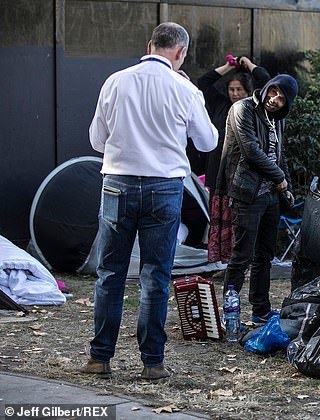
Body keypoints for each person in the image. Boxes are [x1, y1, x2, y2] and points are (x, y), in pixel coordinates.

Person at [81, 22, 218, 380]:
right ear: (181, 53)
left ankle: (99, 358)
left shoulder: (116, 81)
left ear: (150, 45)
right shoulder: (184, 89)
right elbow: (206, 142)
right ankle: (152, 363)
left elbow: (98, 140)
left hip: (118, 184)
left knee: (109, 274)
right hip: (164, 187)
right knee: (155, 277)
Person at [216, 73, 298, 325]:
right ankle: (230, 315)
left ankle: (260, 311)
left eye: (282, 98)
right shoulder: (243, 109)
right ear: (267, 88)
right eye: (273, 92)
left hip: (270, 196)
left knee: (265, 256)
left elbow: (278, 155)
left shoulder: (277, 120)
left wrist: (286, 188)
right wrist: (280, 178)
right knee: (241, 256)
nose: (274, 99)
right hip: (246, 193)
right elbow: (251, 151)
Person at [197, 56, 271, 192]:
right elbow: (203, 82)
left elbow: (265, 80)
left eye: (239, 89)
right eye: (231, 89)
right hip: (217, 167)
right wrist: (228, 67)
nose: (235, 93)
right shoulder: (220, 104)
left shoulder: (254, 107)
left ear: (247, 90)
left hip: (243, 172)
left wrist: (248, 64)